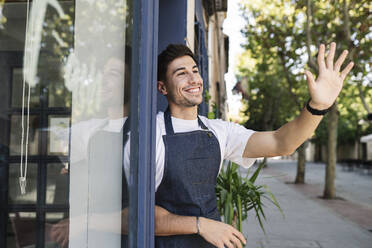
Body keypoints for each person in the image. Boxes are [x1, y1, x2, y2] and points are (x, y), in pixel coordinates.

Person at [153, 43, 353, 248]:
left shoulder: (219, 131)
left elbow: (281, 143)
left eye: (195, 70)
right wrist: (200, 225)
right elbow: (131, 213)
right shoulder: (149, 135)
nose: (193, 78)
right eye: (181, 73)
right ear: (162, 87)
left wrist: (318, 107)